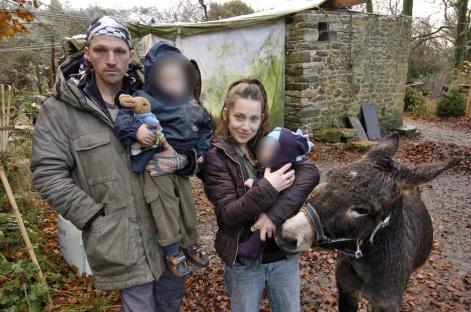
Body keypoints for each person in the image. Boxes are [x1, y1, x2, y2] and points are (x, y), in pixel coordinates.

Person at [30, 16, 195, 311]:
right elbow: (48, 174)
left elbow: (191, 136)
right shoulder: (60, 110)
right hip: (121, 239)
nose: (111, 60)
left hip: (169, 230)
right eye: (101, 50)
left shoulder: (155, 91)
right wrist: (94, 217)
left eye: (119, 51)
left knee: (171, 302)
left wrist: (185, 160)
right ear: (87, 52)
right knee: (139, 305)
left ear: (130, 54)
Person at [202, 79, 320, 312]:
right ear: (226, 113)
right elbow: (229, 215)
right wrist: (269, 187)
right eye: (239, 117)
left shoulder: (271, 141)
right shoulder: (216, 157)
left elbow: (310, 171)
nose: (246, 126)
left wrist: (272, 217)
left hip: (283, 254)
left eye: (253, 119)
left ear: (262, 117)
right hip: (245, 262)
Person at [115, 41, 212, 278]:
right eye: (166, 79)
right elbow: (123, 120)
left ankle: (190, 244)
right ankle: (172, 251)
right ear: (153, 79)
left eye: (178, 78)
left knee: (187, 205)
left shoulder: (191, 102)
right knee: (165, 207)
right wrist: (137, 133)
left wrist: (200, 151)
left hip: (181, 164)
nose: (173, 84)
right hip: (153, 163)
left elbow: (207, 128)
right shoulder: (144, 98)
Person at [238, 127, 314, 260]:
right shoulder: (272, 165)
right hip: (258, 208)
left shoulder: (283, 169)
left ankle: (251, 249)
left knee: (261, 232)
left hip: (274, 211)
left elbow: (274, 185)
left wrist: (255, 183)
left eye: (270, 149)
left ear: (282, 153)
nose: (263, 151)